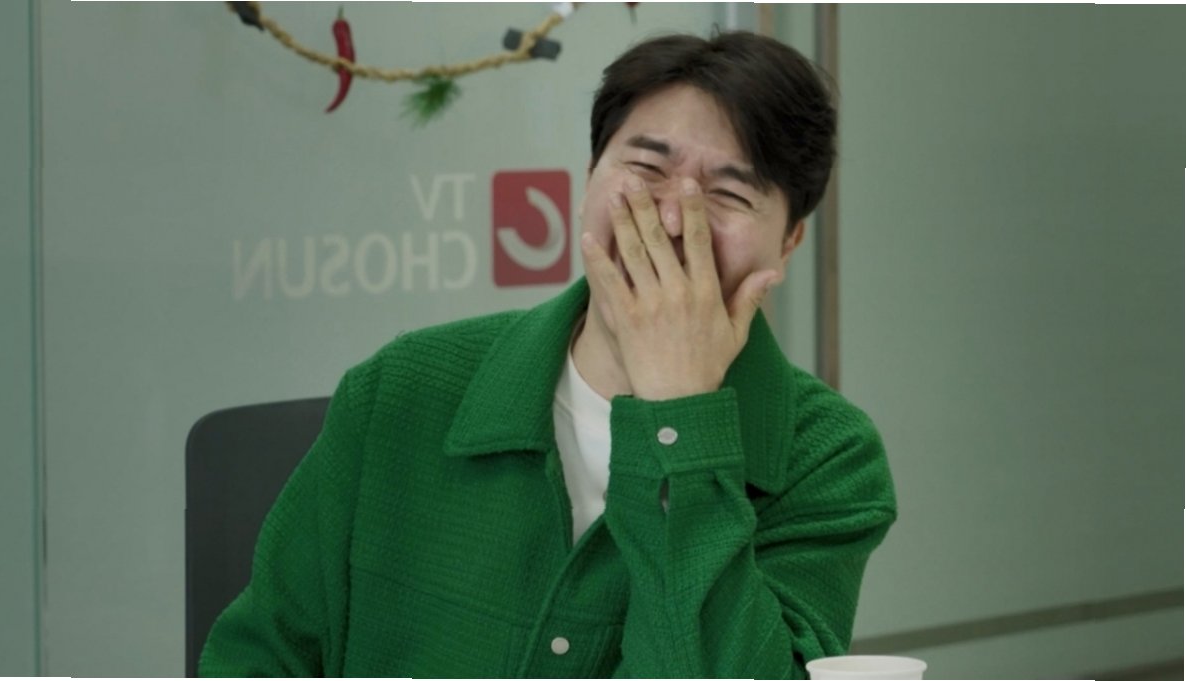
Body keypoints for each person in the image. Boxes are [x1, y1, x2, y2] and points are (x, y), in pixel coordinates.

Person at [200, 29, 896, 679]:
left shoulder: (827, 456)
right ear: (590, 174)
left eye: (729, 192)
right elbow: (255, 658)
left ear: (789, 241)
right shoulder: (399, 389)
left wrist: (681, 414)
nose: (672, 217)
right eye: (645, 166)